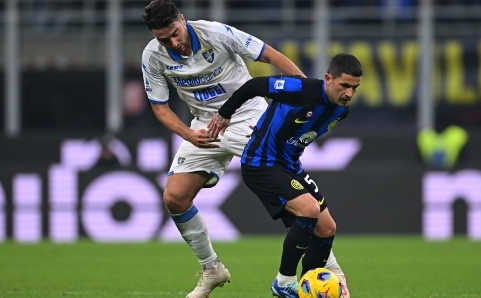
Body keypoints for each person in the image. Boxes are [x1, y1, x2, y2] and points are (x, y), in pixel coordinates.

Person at [141, 1, 309, 297]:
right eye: (163, 39)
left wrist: (306, 90)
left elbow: (269, 55)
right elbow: (160, 107)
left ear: (183, 19)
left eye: (175, 34)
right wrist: (188, 134)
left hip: (249, 116)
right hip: (205, 127)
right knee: (175, 197)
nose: (173, 43)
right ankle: (212, 269)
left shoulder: (216, 34)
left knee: (292, 198)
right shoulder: (152, 56)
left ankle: (326, 268)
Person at [208, 53, 362, 298]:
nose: (349, 94)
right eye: (344, 85)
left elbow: (295, 133)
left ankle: (307, 289)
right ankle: (284, 281)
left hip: (290, 166)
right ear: (328, 79)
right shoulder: (299, 89)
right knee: (309, 210)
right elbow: (255, 85)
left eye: (355, 88)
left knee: (327, 229)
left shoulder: (341, 112)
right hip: (261, 164)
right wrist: (225, 113)